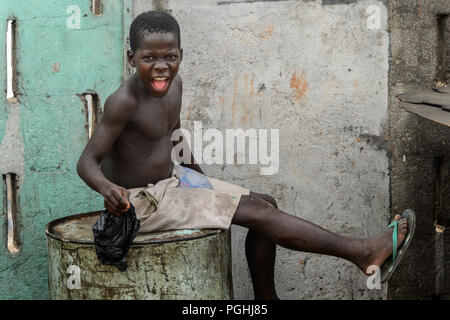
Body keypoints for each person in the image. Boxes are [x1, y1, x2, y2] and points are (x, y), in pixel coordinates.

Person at [77, 11, 411, 300]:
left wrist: (203, 180)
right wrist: (108, 189)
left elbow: (175, 136)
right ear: (131, 57)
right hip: (141, 203)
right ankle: (363, 252)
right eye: (149, 58)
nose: (161, 67)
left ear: (182, 54)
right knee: (256, 212)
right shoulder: (124, 101)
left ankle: (266, 298)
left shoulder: (174, 86)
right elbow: (86, 162)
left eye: (170, 57)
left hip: (172, 181)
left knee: (265, 202)